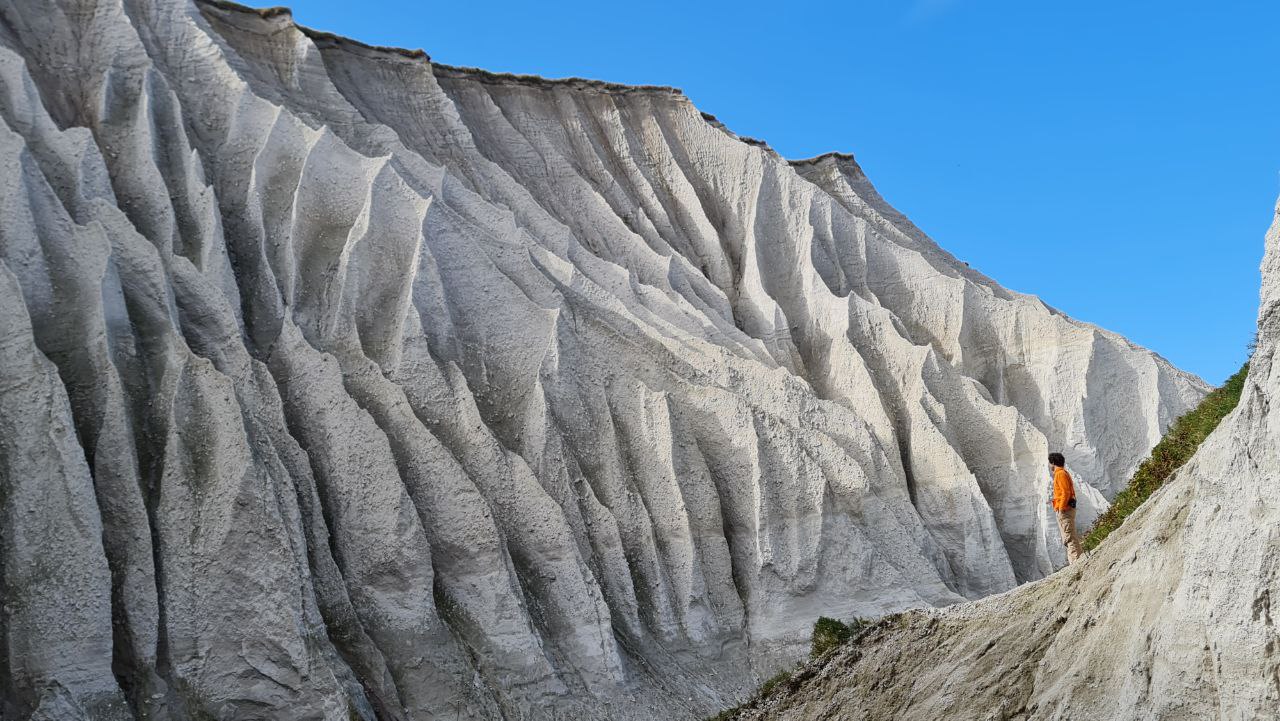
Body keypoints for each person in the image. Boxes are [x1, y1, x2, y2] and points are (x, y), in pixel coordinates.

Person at [1049, 452, 1084, 564]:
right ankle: (1079, 559)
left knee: (1069, 537)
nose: (1049, 466)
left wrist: (1061, 507)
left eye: (1050, 463)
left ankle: (1075, 563)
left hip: (1065, 510)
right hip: (1066, 508)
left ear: (1053, 463)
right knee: (1071, 535)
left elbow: (1065, 492)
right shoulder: (1062, 473)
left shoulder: (1060, 474)